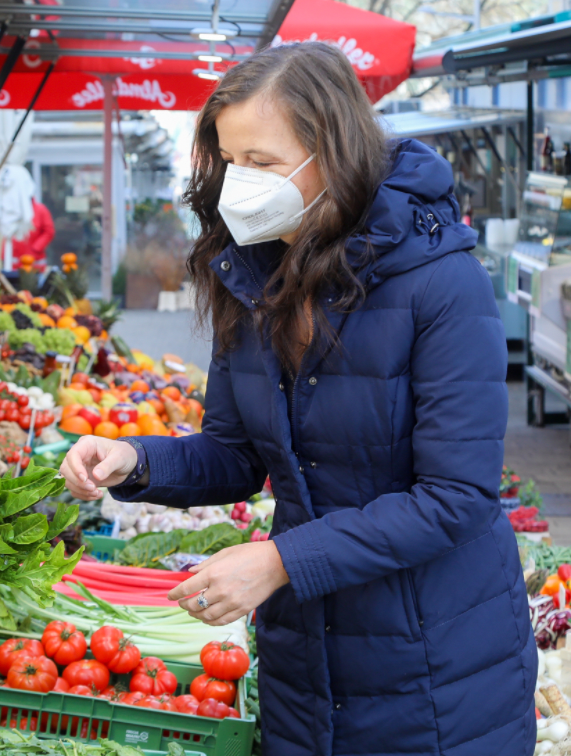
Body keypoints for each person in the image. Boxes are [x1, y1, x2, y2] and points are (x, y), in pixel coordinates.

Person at [60, 43, 536, 755]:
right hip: (304, 662)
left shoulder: (443, 285)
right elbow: (235, 454)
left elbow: (455, 498)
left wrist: (281, 561)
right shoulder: (252, 278)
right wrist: (134, 460)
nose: (238, 183)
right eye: (229, 160)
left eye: (262, 161)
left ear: (333, 152)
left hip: (437, 671)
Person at [11, 198, 55, 271]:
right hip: (14, 263)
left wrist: (36, 248)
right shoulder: (12, 209)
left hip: (35, 262)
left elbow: (49, 232)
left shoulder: (41, 210)